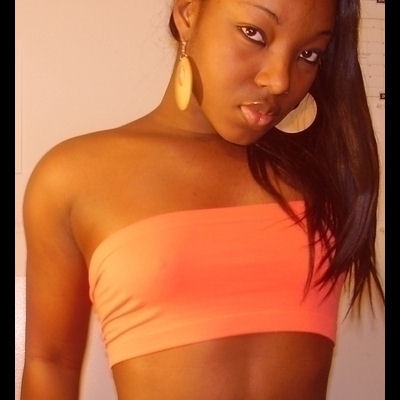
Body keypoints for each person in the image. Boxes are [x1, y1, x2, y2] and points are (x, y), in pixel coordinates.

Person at [20, 0, 385, 399]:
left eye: (308, 54)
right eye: (254, 34)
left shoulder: (321, 173)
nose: (279, 80)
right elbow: (51, 363)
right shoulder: (73, 177)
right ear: (188, 13)